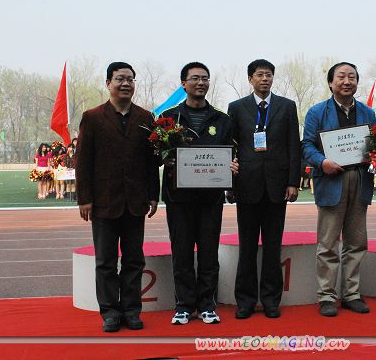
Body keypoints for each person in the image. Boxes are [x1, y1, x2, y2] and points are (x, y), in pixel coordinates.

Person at [75, 61, 160, 333]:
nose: (126, 84)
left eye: (130, 79)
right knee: (106, 261)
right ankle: (110, 312)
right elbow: (83, 161)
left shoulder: (146, 118)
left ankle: (132, 310)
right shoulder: (92, 117)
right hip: (103, 201)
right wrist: (84, 198)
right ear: (108, 83)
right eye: (120, 79)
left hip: (136, 202)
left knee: (134, 260)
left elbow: (151, 161)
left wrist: (153, 195)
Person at [302, 62, 376, 317]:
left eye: (352, 77)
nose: (347, 81)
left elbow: (375, 145)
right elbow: (307, 146)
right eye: (341, 77)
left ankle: (351, 294)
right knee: (328, 244)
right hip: (331, 181)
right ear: (331, 82)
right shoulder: (317, 112)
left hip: (360, 181)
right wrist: (322, 162)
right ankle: (327, 296)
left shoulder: (368, 113)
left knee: (356, 242)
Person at [160, 62, 238, 325]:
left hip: (210, 199)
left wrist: (232, 166)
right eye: (195, 78)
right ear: (183, 83)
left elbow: (231, 153)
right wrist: (166, 159)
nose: (201, 83)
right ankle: (183, 305)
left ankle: (206, 305)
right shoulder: (168, 118)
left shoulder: (222, 120)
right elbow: (155, 155)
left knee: (208, 253)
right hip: (178, 198)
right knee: (181, 253)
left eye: (205, 78)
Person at [227, 59, 301, 320]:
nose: (265, 79)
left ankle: (270, 300)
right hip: (246, 185)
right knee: (247, 247)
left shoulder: (287, 106)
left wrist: (293, 182)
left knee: (273, 247)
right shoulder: (236, 108)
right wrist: (230, 181)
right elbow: (230, 146)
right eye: (260, 75)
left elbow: (294, 145)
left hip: (277, 187)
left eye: (269, 75)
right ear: (250, 79)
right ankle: (245, 301)